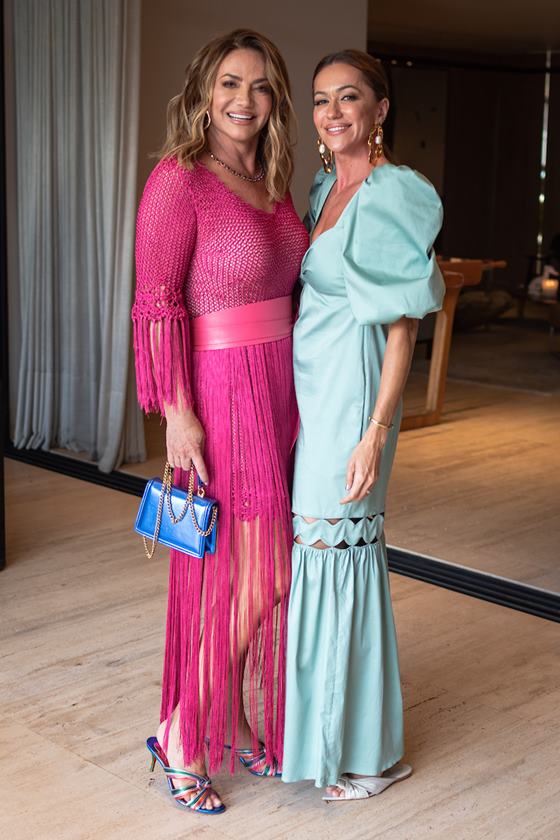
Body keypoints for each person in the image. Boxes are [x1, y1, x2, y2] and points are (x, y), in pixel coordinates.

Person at [132, 29, 308, 814]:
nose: (244, 99)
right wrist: (177, 413)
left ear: (275, 100)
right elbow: (157, 303)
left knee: (250, 574)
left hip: (282, 385)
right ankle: (179, 729)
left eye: (261, 85)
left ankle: (229, 717)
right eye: (231, 82)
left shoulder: (274, 178)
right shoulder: (180, 179)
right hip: (220, 387)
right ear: (206, 89)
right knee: (259, 572)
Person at [282, 49, 445, 801]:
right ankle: (358, 743)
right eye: (321, 100)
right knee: (333, 561)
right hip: (312, 389)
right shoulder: (322, 188)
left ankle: (361, 759)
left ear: (381, 111)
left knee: (335, 556)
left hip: (353, 394)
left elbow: (404, 327)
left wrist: (377, 431)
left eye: (350, 98)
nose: (333, 112)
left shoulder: (392, 194)